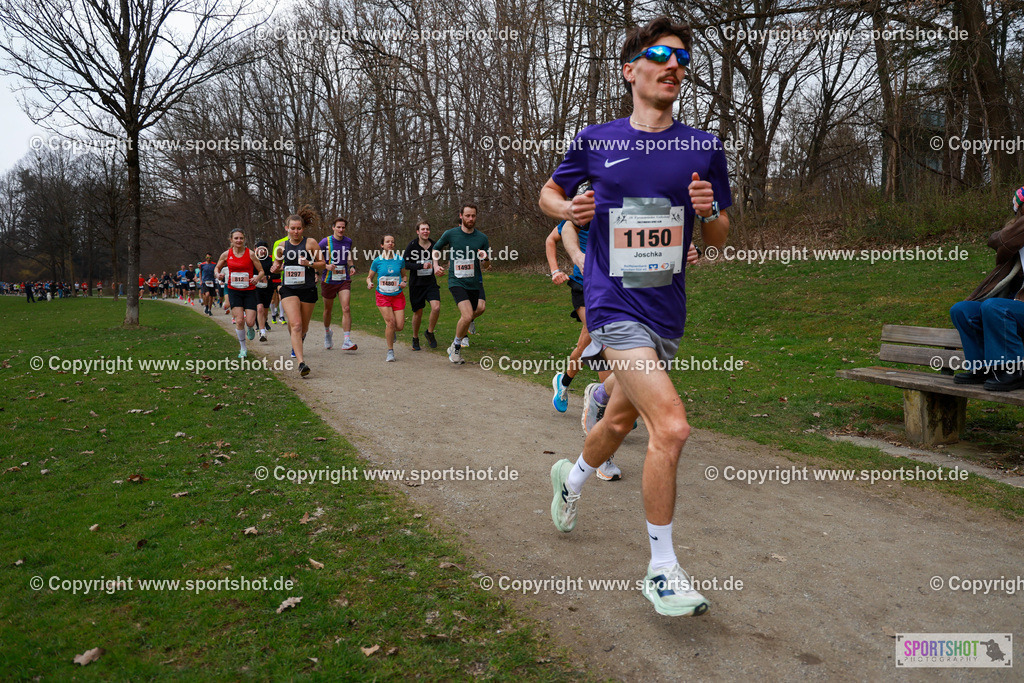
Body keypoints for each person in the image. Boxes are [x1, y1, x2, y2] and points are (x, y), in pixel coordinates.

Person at [540, 16, 731, 617]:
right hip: (612, 303)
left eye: (684, 58)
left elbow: (720, 234)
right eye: (662, 55)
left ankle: (570, 482)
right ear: (630, 69)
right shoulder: (597, 139)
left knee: (620, 423)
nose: (676, 64)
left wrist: (711, 214)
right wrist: (569, 206)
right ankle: (662, 570)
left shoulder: (702, 145)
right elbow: (547, 194)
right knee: (670, 427)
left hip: (666, 312)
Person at [949, 185, 1024, 391]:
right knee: (962, 310)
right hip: (1016, 305)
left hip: (1012, 308)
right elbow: (997, 241)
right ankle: (982, 367)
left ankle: (1015, 370)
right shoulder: (1014, 241)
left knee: (995, 307)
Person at [432, 205, 489, 364]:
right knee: (467, 315)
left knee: (479, 309)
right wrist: (436, 265)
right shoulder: (451, 234)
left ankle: (466, 325)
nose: (471, 219)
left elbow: (487, 265)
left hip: (474, 281)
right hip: (456, 280)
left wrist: (485, 258)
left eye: (473, 216)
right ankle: (456, 348)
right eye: (468, 216)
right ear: (461, 216)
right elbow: (436, 249)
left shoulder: (482, 238)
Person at [271, 206, 324, 377]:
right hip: (288, 289)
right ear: (286, 228)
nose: (295, 231)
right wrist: (275, 268)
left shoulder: (311, 243)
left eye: (299, 228)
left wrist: (309, 264)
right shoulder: (281, 246)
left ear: (303, 228)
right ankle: (301, 363)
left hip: (307, 289)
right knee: (296, 324)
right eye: (292, 228)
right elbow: (278, 268)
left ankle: (298, 341)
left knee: (304, 327)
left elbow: (322, 264)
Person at [215, 229, 266, 358]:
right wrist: (218, 274)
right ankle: (243, 348)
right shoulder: (226, 254)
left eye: (241, 238)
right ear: (231, 240)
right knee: (239, 321)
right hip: (234, 290)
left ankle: (250, 327)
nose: (239, 241)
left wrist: (257, 278)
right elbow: (217, 267)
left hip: (249, 291)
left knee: (249, 321)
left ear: (244, 239)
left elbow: (261, 271)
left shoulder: (251, 254)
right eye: (236, 238)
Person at [319, 218, 358, 351]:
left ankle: (346, 340)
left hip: (343, 279)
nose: (341, 230)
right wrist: (326, 265)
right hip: (329, 280)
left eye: (343, 227)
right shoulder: (325, 242)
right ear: (333, 227)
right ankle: (327, 333)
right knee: (327, 310)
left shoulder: (348, 241)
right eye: (338, 227)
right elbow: (316, 258)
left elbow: (348, 255)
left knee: (346, 308)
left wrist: (351, 265)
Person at [368, 234, 407, 362]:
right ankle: (390, 351)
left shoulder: (400, 260)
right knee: (391, 322)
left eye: (392, 242)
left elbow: (404, 276)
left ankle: (391, 331)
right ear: (382, 245)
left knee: (399, 326)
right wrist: (369, 283)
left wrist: (404, 283)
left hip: (397, 296)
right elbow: (369, 277)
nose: (390, 243)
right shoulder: (377, 261)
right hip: (383, 296)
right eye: (387, 242)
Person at [403, 221, 441, 350]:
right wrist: (420, 265)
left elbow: (437, 261)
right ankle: (415, 338)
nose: (425, 231)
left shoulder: (435, 245)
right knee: (418, 313)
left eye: (427, 229)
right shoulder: (412, 246)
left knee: (436, 308)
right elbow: (405, 264)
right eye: (423, 229)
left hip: (430, 283)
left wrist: (438, 269)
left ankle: (429, 332)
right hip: (416, 285)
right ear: (418, 231)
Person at [253, 238, 277, 342]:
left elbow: (276, 273)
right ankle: (262, 332)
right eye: (260, 249)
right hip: (256, 288)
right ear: (256, 249)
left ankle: (263, 322)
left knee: (265, 310)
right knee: (259, 308)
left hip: (268, 287)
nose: (262, 251)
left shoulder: (271, 260)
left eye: (264, 249)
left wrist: (267, 277)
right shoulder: (252, 259)